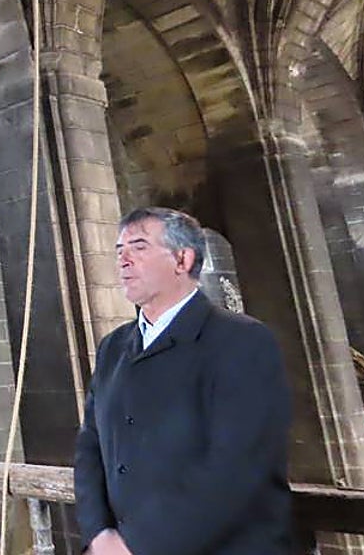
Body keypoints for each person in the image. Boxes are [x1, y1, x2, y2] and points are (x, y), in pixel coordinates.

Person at [73, 206, 293, 555]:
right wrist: (99, 534)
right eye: (119, 250)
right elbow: (90, 446)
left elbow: (236, 466)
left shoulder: (242, 341)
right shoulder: (112, 347)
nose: (123, 260)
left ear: (182, 259)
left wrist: (135, 545)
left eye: (139, 247)